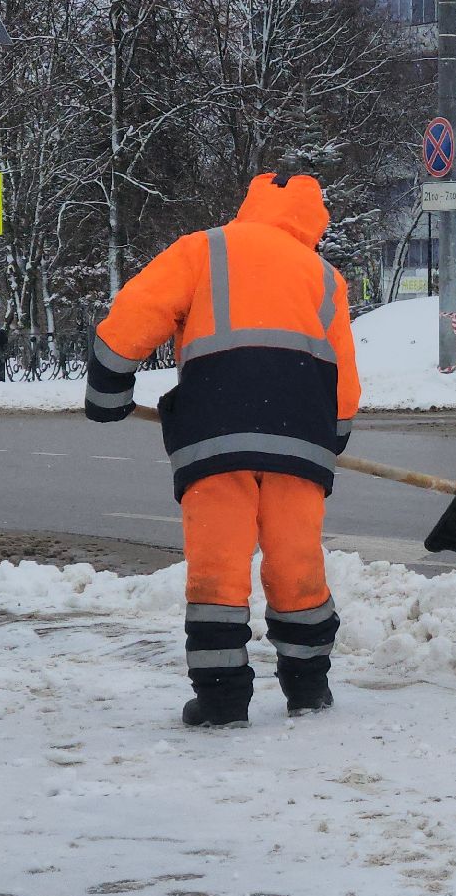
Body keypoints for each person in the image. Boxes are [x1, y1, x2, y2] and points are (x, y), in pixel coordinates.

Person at [84, 173, 360, 729]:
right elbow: (345, 382)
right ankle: (309, 688)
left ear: (252, 205)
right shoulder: (326, 278)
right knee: (296, 564)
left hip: (214, 437)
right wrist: (330, 440)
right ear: (314, 222)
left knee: (219, 569)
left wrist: (107, 391)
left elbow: (137, 312)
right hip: (298, 443)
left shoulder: (203, 249)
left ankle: (221, 699)